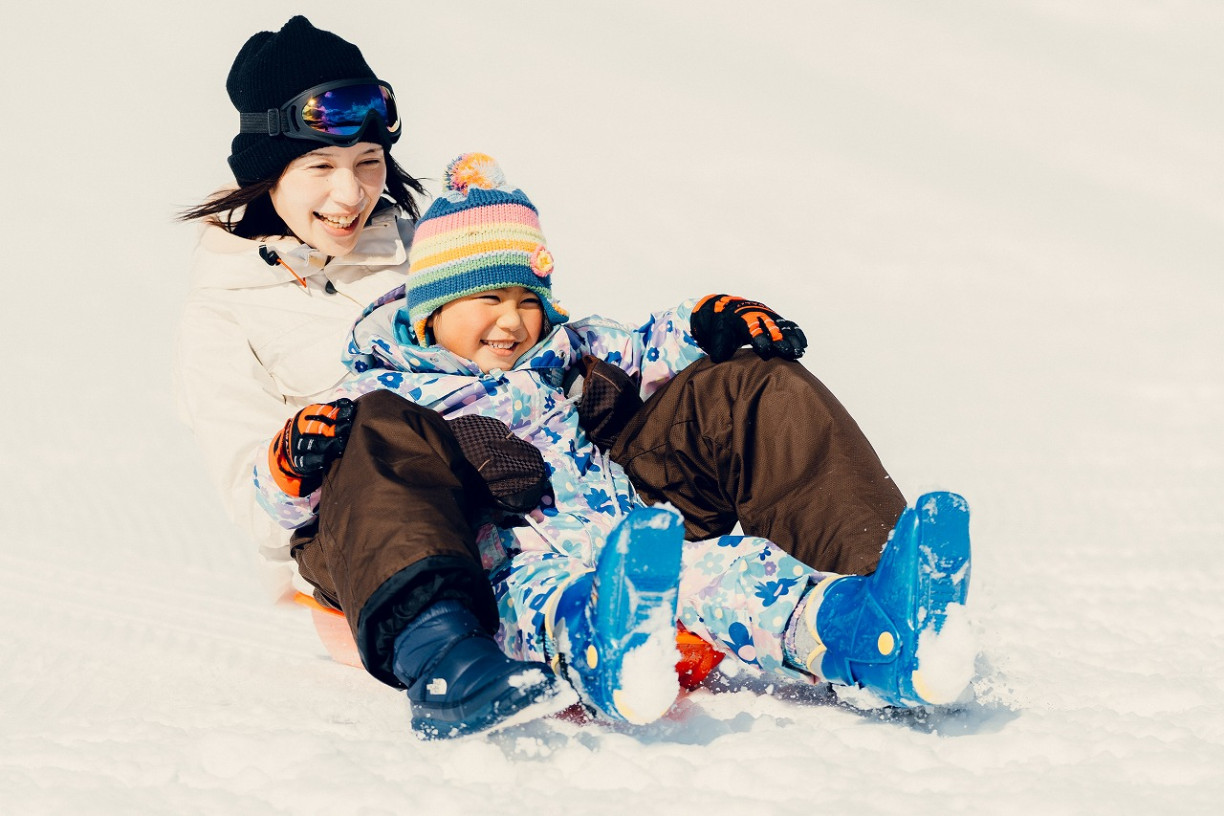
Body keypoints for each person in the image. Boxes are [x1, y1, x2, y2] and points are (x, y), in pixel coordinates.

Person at [255, 154, 975, 732]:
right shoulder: (379, 394)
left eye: (527, 301)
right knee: (556, 606)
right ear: (430, 309)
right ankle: (591, 656)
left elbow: (649, 346)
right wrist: (292, 464)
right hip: (506, 575)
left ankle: (871, 624)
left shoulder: (567, 351)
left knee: (737, 571)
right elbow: (319, 510)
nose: (512, 322)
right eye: (487, 299)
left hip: (637, 548)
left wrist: (708, 321)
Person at [175, 20, 575, 737]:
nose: (351, 193)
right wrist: (300, 456)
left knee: (706, 390)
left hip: (514, 498)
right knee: (378, 421)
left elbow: (533, 347)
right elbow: (255, 505)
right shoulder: (223, 312)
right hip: (370, 550)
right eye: (320, 167)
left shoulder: (428, 254)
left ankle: (797, 599)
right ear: (268, 173)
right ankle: (450, 668)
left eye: (368, 162)